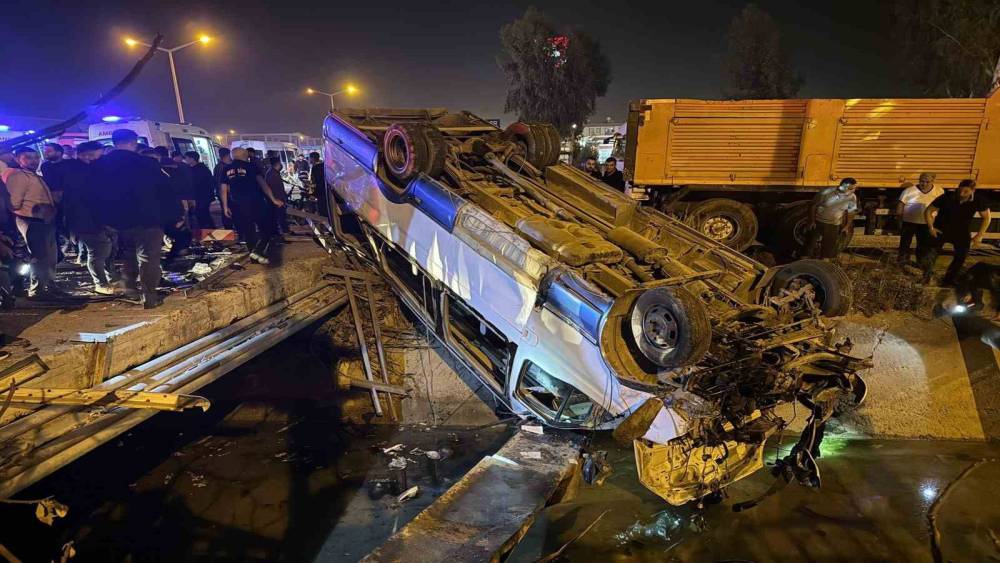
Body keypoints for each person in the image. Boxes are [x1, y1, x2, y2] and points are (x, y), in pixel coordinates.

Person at [88, 129, 168, 308]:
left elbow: (92, 195)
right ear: (134, 142)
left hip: (117, 220)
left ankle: (130, 288)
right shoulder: (147, 163)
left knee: (129, 255)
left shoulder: (98, 165)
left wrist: (101, 219)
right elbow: (164, 190)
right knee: (149, 257)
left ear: (114, 142)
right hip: (148, 218)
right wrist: (173, 216)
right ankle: (149, 295)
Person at [3, 147, 59, 297]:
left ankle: (49, 286)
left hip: (44, 220)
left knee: (50, 256)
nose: (33, 161)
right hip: (31, 220)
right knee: (39, 256)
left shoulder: (33, 175)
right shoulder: (19, 176)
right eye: (27, 157)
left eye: (35, 157)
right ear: (17, 159)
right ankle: (38, 290)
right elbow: (14, 203)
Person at [65, 141, 117, 295]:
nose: (98, 158)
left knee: (108, 249)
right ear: (85, 154)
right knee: (98, 251)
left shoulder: (93, 168)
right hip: (86, 220)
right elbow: (79, 199)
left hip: (101, 218)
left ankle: (110, 276)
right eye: (96, 155)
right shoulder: (74, 171)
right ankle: (101, 283)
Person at [220, 147, 285, 264]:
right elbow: (263, 184)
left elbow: (224, 188)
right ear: (244, 156)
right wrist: (273, 199)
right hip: (255, 201)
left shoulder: (226, 168)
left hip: (237, 204)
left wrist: (225, 206)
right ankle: (258, 251)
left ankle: (254, 256)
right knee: (267, 227)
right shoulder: (251, 166)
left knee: (248, 230)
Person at [923, 179, 991, 286]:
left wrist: (979, 235)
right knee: (930, 254)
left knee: (961, 256)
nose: (962, 194)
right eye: (960, 190)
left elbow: (987, 217)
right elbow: (928, 211)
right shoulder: (946, 197)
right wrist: (931, 227)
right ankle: (927, 277)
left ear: (973, 191)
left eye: (966, 192)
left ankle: (948, 279)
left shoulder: (978, 200)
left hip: (962, 232)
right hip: (941, 229)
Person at [154, 146, 193, 262]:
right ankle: (172, 258)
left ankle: (172, 257)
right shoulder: (163, 175)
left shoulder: (163, 173)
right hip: (165, 212)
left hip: (166, 211)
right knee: (182, 234)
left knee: (181, 234)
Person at [896, 172, 943, 266]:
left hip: (927, 223)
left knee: (923, 244)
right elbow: (900, 206)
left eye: (927, 182)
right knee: (905, 243)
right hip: (909, 222)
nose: (924, 184)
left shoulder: (939, 191)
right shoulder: (909, 191)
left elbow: (943, 206)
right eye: (921, 181)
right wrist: (899, 221)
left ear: (933, 181)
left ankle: (921, 263)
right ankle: (902, 261)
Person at [805, 178, 858, 260]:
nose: (853, 191)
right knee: (808, 247)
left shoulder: (852, 197)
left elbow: (851, 212)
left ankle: (824, 264)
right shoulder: (826, 192)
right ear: (842, 187)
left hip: (833, 225)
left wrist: (847, 226)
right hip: (818, 222)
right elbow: (813, 206)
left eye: (854, 188)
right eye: (851, 188)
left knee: (828, 252)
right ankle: (803, 262)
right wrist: (811, 221)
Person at [184, 151, 216, 230]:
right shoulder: (197, 168)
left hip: (202, 197)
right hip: (202, 196)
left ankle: (209, 231)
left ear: (192, 159)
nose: (185, 160)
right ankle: (209, 231)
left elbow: (198, 184)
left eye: (186, 158)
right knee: (203, 214)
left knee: (203, 215)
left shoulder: (200, 170)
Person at [264, 156, 289, 238]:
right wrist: (278, 199)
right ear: (278, 163)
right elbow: (275, 188)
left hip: (277, 198)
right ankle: (282, 232)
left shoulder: (273, 172)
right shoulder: (272, 174)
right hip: (277, 199)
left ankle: (283, 231)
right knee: (279, 216)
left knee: (280, 216)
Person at [214, 148, 234, 229]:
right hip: (226, 194)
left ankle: (230, 229)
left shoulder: (218, 166)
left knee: (227, 212)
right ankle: (230, 230)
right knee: (227, 212)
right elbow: (221, 184)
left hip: (224, 194)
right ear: (228, 155)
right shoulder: (223, 167)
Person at [309, 151, 326, 216]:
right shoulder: (324, 165)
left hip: (320, 191)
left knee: (321, 209)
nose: (309, 160)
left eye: (310, 158)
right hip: (326, 190)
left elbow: (314, 181)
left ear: (312, 158)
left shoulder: (315, 167)